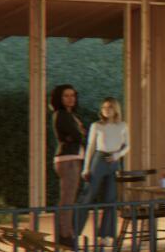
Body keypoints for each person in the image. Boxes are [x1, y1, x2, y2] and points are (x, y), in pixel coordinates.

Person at [76, 96, 129, 240]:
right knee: (88, 196)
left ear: (116, 109)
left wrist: (117, 156)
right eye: (104, 107)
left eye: (109, 107)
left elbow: (127, 146)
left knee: (110, 198)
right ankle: (75, 232)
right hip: (99, 160)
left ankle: (106, 235)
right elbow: (90, 147)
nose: (106, 110)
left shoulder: (123, 126)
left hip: (114, 162)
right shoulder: (96, 126)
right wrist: (86, 168)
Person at [46, 83, 87, 240]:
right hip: (67, 159)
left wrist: (78, 135)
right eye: (66, 96)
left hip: (72, 158)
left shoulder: (71, 115)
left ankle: (64, 233)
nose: (70, 99)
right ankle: (64, 235)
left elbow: (78, 135)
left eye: (72, 95)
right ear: (59, 98)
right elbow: (77, 136)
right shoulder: (61, 114)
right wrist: (79, 134)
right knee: (67, 199)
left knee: (68, 198)